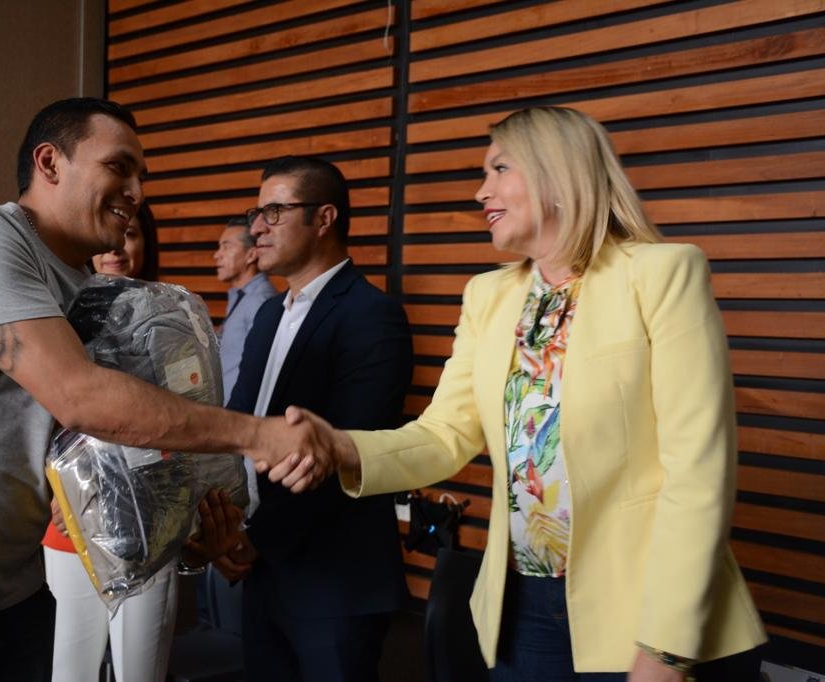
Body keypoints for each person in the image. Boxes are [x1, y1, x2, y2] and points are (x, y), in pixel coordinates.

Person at [0, 97, 324, 681]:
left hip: (11, 596)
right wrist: (260, 436)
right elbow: (82, 398)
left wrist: (183, 533)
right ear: (49, 163)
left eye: (141, 176)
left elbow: (103, 461)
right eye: (118, 167)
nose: (136, 192)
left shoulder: (95, 293)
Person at [267, 108, 767, 681]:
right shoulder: (488, 296)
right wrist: (340, 447)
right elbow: (444, 436)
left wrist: (665, 650)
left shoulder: (662, 273)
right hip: (523, 609)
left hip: (648, 611)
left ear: (558, 173)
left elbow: (699, 472)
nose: (481, 192)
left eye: (499, 169)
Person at [218, 156, 412, 682]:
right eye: (256, 213)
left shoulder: (372, 315)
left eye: (274, 212)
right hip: (264, 567)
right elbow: (239, 424)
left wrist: (255, 539)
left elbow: (344, 451)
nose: (258, 228)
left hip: (335, 580)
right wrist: (226, 526)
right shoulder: (267, 314)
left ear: (324, 218)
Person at [42, 206, 177, 682]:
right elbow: (39, 420)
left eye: (131, 234)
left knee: (140, 672)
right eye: (108, 236)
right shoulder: (57, 319)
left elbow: (189, 423)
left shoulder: (175, 319)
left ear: (147, 243)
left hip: (149, 525)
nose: (117, 247)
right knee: (68, 673)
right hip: (69, 522)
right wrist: (59, 493)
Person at [214, 216, 277, 404]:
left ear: (251, 255)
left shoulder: (261, 301)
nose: (217, 255)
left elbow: (261, 373)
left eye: (226, 247)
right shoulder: (241, 296)